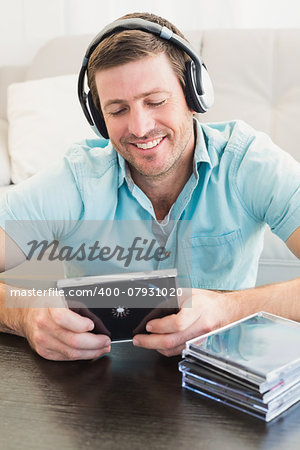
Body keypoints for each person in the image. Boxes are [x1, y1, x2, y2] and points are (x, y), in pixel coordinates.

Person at [0, 12, 299, 361]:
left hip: (224, 381)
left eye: (156, 101)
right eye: (117, 110)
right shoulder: (76, 179)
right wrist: (22, 314)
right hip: (96, 390)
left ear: (193, 94)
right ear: (99, 118)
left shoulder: (248, 162)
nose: (139, 128)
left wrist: (227, 308)